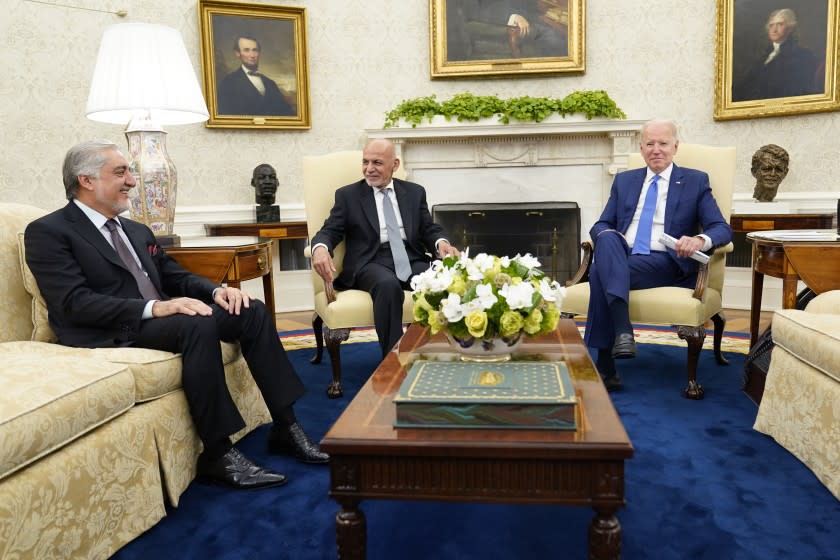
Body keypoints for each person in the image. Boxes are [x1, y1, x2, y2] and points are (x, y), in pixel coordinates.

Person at [24, 140, 328, 492]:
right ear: (87, 180)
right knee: (194, 323)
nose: (132, 182)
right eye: (120, 172)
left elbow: (173, 275)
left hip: (163, 320)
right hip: (110, 329)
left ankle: (285, 426)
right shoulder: (49, 231)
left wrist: (217, 292)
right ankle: (217, 452)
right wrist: (157, 307)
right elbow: (73, 303)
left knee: (250, 309)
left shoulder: (135, 229)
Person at [583, 119, 732, 391]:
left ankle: (607, 361)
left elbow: (721, 228)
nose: (656, 150)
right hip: (624, 254)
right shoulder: (625, 181)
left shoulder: (695, 181)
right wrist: (606, 237)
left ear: (675, 146)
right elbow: (602, 223)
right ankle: (622, 334)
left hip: (666, 260)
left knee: (597, 272)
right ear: (641, 149)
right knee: (606, 237)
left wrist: (699, 239)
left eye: (663, 143)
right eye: (650, 144)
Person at [310, 139, 460, 357]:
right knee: (388, 285)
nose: (369, 169)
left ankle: (442, 351)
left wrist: (441, 243)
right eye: (365, 162)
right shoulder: (348, 196)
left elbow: (429, 229)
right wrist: (320, 248)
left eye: (377, 163)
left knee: (447, 278)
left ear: (395, 165)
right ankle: (393, 359)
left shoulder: (415, 192)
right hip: (370, 262)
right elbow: (330, 230)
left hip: (411, 258)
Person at [733, 8, 821, 102]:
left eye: (780, 24)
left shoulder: (802, 56)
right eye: (771, 25)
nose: (774, 29)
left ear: (790, 28)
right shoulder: (764, 57)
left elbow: (797, 91)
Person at [455, 0, 567, 59]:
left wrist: (540, 6)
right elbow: (473, 11)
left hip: (532, 18)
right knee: (555, 40)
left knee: (563, 34)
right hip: (505, 24)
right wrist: (513, 16)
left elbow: (524, 4)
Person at [217, 36, 294, 116]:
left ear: (259, 53)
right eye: (246, 50)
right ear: (237, 53)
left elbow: (286, 113)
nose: (252, 55)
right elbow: (225, 115)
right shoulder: (228, 83)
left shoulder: (270, 83)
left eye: (255, 50)